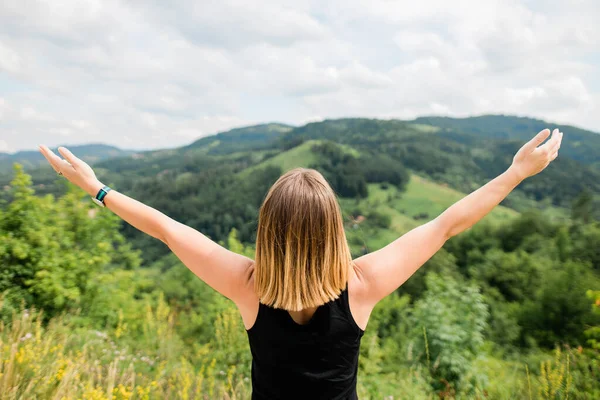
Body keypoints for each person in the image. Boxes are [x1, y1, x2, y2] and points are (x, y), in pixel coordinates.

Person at [39, 127, 563, 399]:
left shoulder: (247, 283)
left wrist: (98, 188)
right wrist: (516, 172)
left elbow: (168, 229)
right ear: (333, 227)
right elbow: (446, 223)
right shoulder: (361, 284)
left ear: (269, 230)